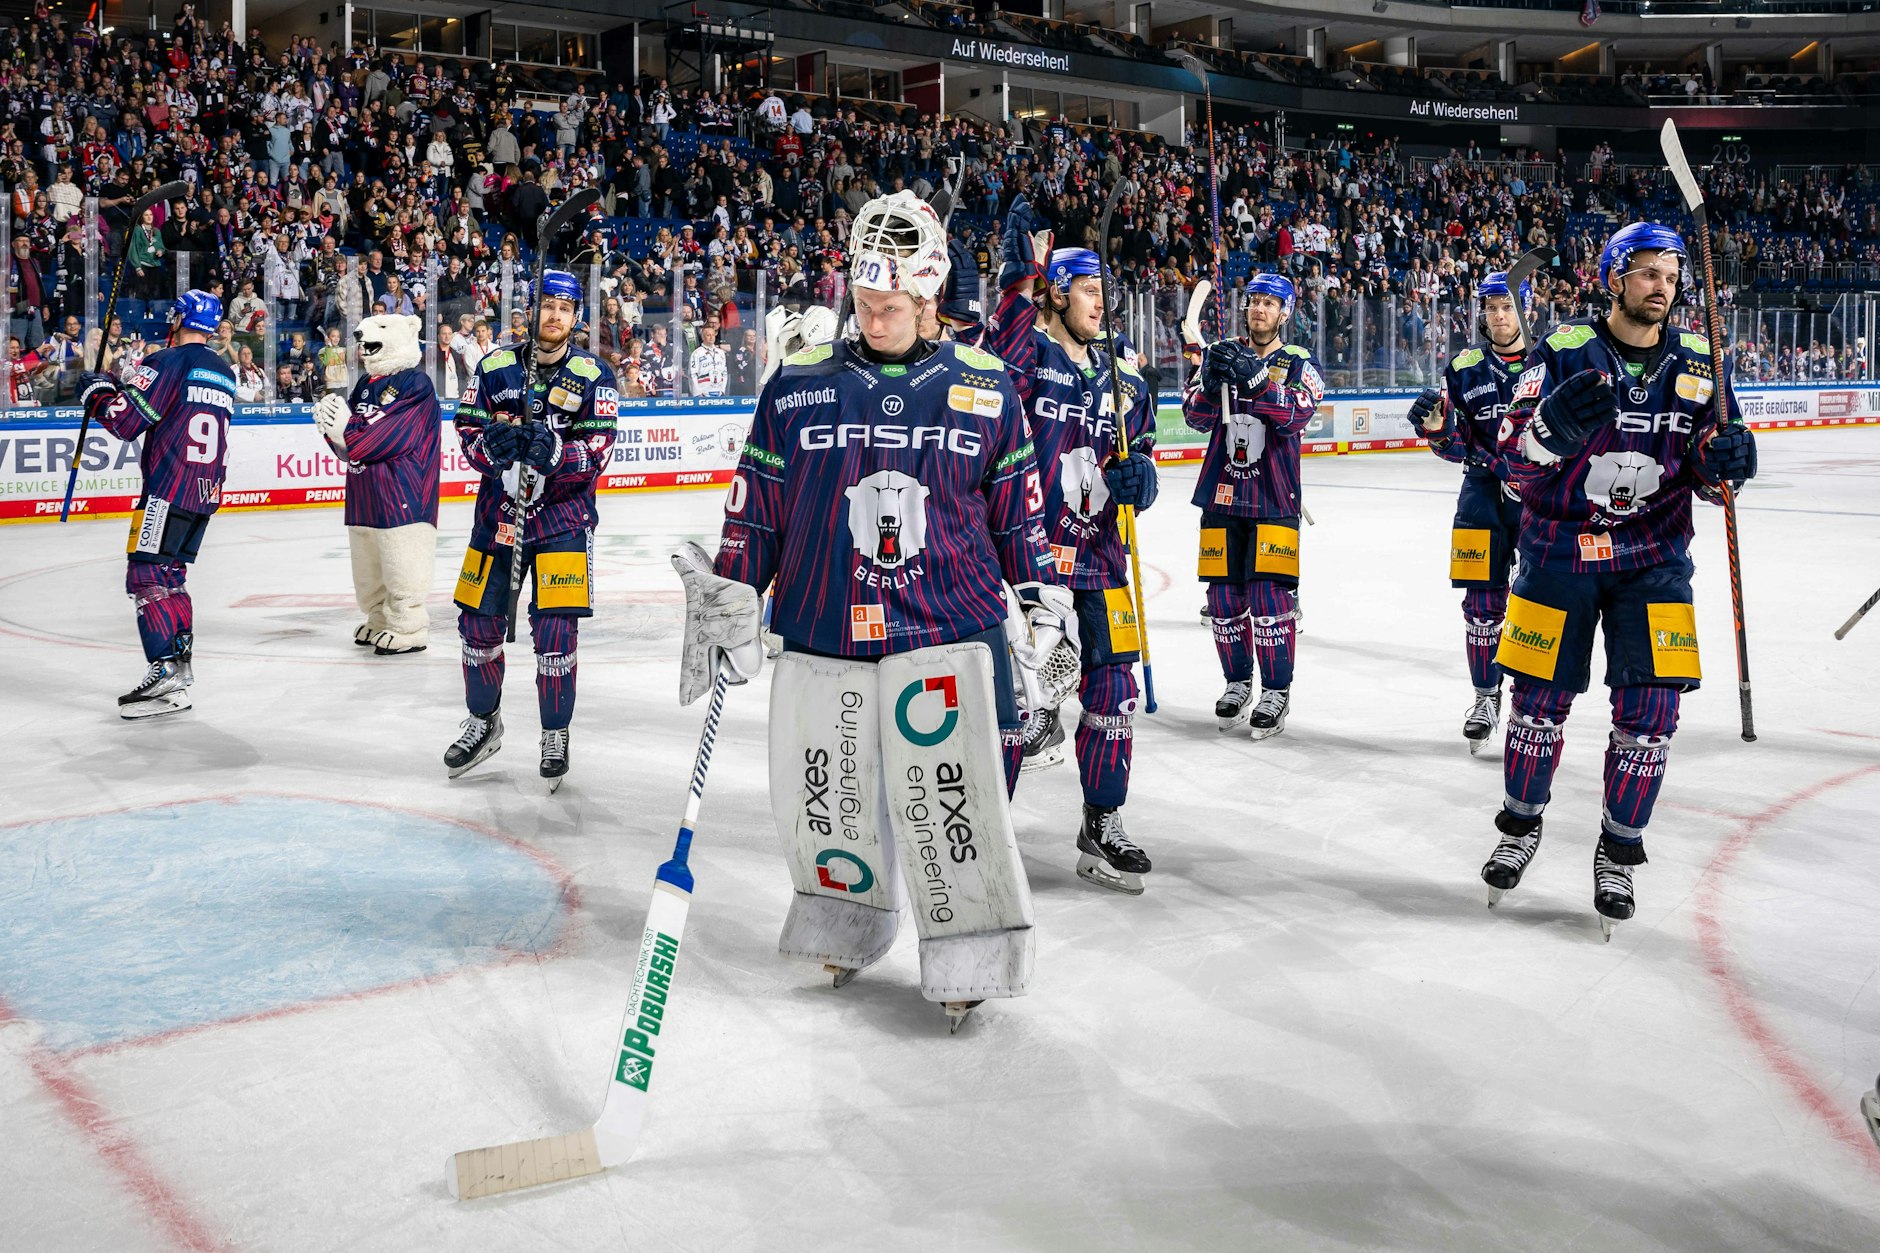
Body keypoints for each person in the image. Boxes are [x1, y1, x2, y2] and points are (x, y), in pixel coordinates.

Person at [674, 190, 1058, 1031]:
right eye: (864, 300)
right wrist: (733, 595)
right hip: (823, 628)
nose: (873, 315)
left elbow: (1019, 518)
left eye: (891, 306)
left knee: (951, 809)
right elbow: (756, 511)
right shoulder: (798, 386)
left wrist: (1042, 606)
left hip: (948, 632)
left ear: (929, 301)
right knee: (832, 801)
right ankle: (847, 921)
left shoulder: (987, 390)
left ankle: (971, 950)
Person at [1478, 222, 1758, 938]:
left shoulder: (1701, 359)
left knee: (1653, 712)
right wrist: (1545, 433)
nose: (1661, 284)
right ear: (1613, 278)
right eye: (1645, 271)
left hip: (1654, 559)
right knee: (1536, 703)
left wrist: (1726, 462)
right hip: (1558, 553)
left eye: (1670, 273)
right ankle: (1522, 823)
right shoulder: (1566, 351)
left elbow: (1707, 473)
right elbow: (1509, 457)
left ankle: (1618, 848)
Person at [987, 199, 1159, 895]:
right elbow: (997, 362)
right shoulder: (1033, 357)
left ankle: (1101, 821)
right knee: (1022, 705)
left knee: (1113, 691)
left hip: (1103, 562)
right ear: (1057, 293)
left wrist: (1138, 478)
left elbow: (1143, 465)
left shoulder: (1127, 379)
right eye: (1088, 288)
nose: (1101, 302)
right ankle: (986, 830)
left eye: (1105, 292)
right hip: (1035, 563)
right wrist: (1018, 281)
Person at [445, 270, 619, 790]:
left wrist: (556, 455)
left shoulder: (594, 375)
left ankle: (554, 732)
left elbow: (599, 450)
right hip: (497, 516)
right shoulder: (495, 366)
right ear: (531, 309)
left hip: (561, 519)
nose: (554, 316)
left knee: (555, 633)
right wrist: (491, 454)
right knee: (477, 625)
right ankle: (484, 721)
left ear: (576, 317)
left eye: (565, 309)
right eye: (547, 306)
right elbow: (467, 427)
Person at [74, 291, 237, 718]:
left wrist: (96, 392)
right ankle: (178, 671)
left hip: (167, 488)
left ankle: (164, 668)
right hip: (204, 491)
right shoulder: (223, 370)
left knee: (147, 574)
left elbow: (126, 422)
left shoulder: (166, 360)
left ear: (180, 318)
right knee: (171, 576)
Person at [1184, 272, 1325, 739]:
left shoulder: (1300, 361)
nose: (1260, 308)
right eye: (1255, 300)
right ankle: (1237, 683)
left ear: (1285, 312)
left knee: (1269, 599)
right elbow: (1195, 416)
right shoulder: (1222, 353)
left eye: (1270, 302)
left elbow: (1297, 414)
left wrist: (1259, 381)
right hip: (1222, 497)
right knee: (1223, 602)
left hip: (1274, 496)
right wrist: (1210, 381)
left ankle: (1276, 691)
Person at [1408, 270, 1531, 752]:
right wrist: (1437, 431)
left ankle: (1528, 699)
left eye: (1508, 307)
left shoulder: (1553, 360)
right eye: (1492, 309)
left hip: (1542, 497)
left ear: (1526, 308)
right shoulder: (1463, 367)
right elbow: (1452, 446)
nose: (1499, 317)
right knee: (1482, 607)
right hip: (1482, 492)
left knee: (1537, 601)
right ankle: (1485, 698)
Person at [313, 313, 441, 656]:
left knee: (402, 558)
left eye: (381, 328)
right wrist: (331, 431)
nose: (361, 335)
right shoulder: (366, 384)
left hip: (403, 493)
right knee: (368, 564)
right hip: (364, 492)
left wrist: (345, 428)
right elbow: (350, 443)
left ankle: (409, 624)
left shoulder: (416, 384)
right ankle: (380, 617)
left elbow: (388, 436)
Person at [688, 318, 727, 396]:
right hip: (703, 392)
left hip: (718, 392)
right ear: (703, 337)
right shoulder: (697, 353)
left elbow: (724, 373)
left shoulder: (721, 352)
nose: (711, 337)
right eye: (708, 335)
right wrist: (697, 393)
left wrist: (722, 390)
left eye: (713, 335)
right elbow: (692, 374)